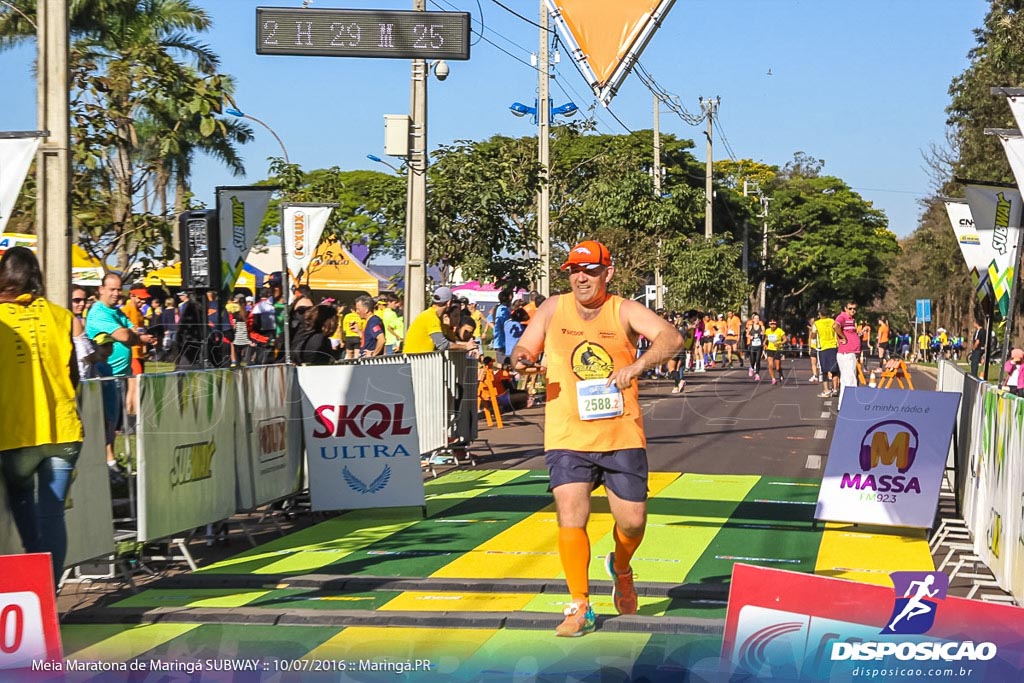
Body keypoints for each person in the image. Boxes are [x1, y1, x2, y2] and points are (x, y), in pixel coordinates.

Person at [510, 240, 683, 637]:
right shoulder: (553, 307)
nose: (580, 278)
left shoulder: (623, 309)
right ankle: (580, 604)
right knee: (571, 513)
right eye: (574, 270)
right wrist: (522, 359)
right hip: (567, 432)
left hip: (620, 432)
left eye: (589, 270)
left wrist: (637, 365)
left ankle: (621, 566)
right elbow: (524, 346)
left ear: (608, 272)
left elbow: (671, 339)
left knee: (633, 522)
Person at [0, 247, 84, 583]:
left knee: (24, 505)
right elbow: (75, 376)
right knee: (52, 515)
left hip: (15, 432)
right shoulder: (62, 317)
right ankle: (48, 592)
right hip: (63, 430)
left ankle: (38, 592)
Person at [404, 286, 478, 354]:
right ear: (448, 303)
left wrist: (470, 345)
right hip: (414, 363)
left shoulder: (434, 316)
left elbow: (450, 341)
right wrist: (466, 347)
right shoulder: (431, 317)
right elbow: (442, 344)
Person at [834, 301, 861, 407]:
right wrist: (843, 337)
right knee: (850, 380)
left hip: (851, 353)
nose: (852, 310)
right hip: (847, 353)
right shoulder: (843, 317)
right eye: (850, 308)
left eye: (854, 308)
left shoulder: (851, 320)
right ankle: (849, 406)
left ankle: (843, 405)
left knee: (847, 379)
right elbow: (836, 326)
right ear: (845, 308)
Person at [814, 308, 840, 399]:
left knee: (824, 370)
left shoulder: (816, 323)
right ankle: (835, 389)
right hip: (833, 347)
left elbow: (813, 334)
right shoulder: (832, 321)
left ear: (820, 314)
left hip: (823, 348)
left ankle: (826, 390)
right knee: (834, 370)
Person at [490, 289, 512, 363]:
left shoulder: (497, 307)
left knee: (501, 360)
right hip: (502, 339)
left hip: (499, 338)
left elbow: (490, 320)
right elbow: (504, 323)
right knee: (503, 361)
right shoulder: (503, 309)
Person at [764, 318, 787, 385]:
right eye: (771, 324)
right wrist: (764, 343)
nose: (773, 326)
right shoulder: (767, 331)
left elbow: (785, 339)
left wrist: (780, 343)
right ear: (769, 325)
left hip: (778, 349)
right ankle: (773, 379)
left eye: (774, 324)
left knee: (777, 367)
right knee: (770, 365)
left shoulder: (779, 331)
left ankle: (780, 372)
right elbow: (766, 337)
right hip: (770, 349)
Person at [746, 313, 765, 381]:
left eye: (758, 318)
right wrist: (750, 337)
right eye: (755, 318)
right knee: (752, 359)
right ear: (753, 320)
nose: (756, 320)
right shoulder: (750, 326)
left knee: (758, 360)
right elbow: (747, 334)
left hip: (759, 346)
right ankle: (751, 367)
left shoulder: (762, 327)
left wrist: (763, 334)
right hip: (752, 345)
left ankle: (757, 374)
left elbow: (764, 334)